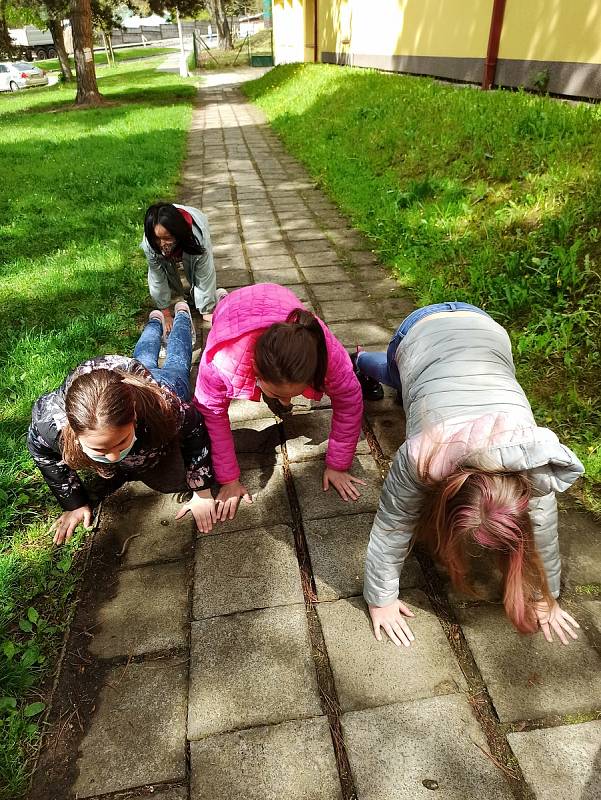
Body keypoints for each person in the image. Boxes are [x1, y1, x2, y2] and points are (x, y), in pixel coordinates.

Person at [356, 302, 584, 647]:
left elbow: (544, 536)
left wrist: (544, 598)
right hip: (418, 331)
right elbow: (393, 525)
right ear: (441, 497)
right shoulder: (421, 456)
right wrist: (380, 599)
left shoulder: (533, 470)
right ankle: (360, 360)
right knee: (393, 374)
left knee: (414, 389)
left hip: (486, 331)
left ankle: (406, 380)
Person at [28, 303, 217, 545]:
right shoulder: (49, 423)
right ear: (72, 432)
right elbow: (41, 451)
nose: (114, 456)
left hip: (159, 383)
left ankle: (181, 317)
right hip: (117, 380)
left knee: (177, 363)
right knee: (144, 356)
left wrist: (201, 491)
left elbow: (194, 429)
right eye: (99, 449)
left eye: (121, 442)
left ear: (135, 418)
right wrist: (74, 503)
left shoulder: (165, 405)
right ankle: (155, 321)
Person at [194, 283, 365, 520]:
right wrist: (229, 480)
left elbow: (350, 401)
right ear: (254, 371)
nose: (288, 400)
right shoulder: (220, 361)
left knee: (280, 398)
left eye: (296, 392)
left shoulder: (326, 352)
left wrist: (338, 465)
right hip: (232, 312)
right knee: (224, 310)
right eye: (278, 393)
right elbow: (211, 414)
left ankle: (274, 394)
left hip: (278, 297)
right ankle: (222, 299)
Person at [141, 202, 227, 329]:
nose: (162, 244)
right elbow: (157, 278)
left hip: (191, 232)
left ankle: (204, 304)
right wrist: (165, 312)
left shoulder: (199, 237)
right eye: (157, 239)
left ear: (177, 233)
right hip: (169, 227)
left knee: (198, 266)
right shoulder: (149, 242)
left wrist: (207, 309)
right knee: (163, 267)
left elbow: (205, 274)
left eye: (167, 238)